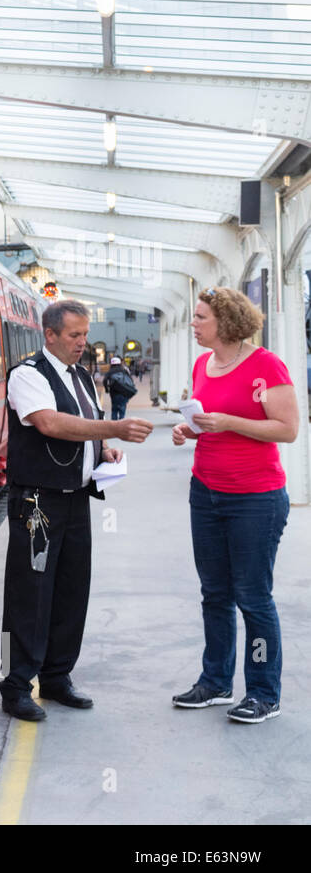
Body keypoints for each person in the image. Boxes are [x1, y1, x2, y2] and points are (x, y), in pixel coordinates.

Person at [0, 300, 153, 721]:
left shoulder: (81, 376)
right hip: (37, 501)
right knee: (29, 592)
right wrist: (114, 428)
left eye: (85, 335)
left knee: (71, 588)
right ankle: (16, 686)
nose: (82, 343)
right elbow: (50, 423)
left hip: (76, 496)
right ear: (49, 335)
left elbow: (85, 423)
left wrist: (103, 448)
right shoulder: (27, 375)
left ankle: (56, 676)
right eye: (74, 335)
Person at [170, 287, 299, 723]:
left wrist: (227, 422)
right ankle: (216, 681)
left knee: (253, 597)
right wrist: (190, 430)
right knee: (215, 594)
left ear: (225, 322)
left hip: (255, 498)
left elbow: (287, 429)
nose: (194, 323)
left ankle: (264, 691)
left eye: (201, 317)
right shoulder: (203, 364)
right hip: (206, 491)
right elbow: (209, 419)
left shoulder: (266, 365)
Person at [103, 356, 138, 420]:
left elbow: (104, 381)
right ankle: (122, 422)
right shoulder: (124, 370)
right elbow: (130, 380)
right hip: (124, 393)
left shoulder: (110, 372)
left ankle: (114, 425)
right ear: (119, 363)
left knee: (114, 409)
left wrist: (106, 390)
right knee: (122, 408)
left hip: (114, 393)